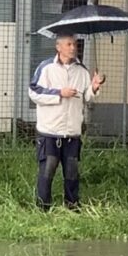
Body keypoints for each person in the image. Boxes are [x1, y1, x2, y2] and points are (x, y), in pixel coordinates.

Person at [28, 33, 104, 211]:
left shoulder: (82, 70)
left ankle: (72, 206)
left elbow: (86, 96)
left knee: (71, 170)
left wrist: (94, 87)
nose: (73, 48)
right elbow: (34, 92)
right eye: (69, 44)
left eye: (75, 44)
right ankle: (43, 207)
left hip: (72, 131)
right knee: (48, 169)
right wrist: (59, 93)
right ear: (58, 47)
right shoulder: (46, 68)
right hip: (50, 130)